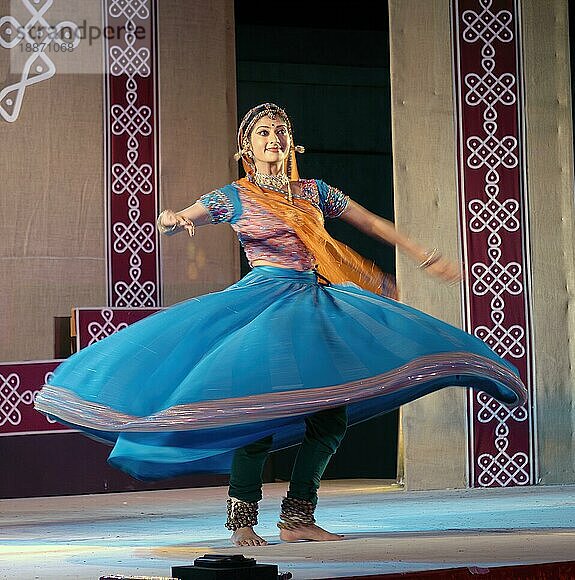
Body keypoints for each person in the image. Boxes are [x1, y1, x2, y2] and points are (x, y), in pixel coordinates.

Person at [35, 103, 526, 548]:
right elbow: (180, 217)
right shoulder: (235, 197)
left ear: (292, 144)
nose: (274, 139)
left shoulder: (314, 193)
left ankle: (298, 517)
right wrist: (170, 220)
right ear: (246, 147)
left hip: (315, 302)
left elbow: (372, 223)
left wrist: (425, 256)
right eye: (264, 133)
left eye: (281, 132)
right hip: (263, 307)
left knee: (330, 418)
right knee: (257, 414)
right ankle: (243, 520)